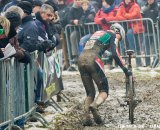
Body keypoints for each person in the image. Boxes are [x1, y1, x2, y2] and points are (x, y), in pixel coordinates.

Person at [78, 23, 129, 126]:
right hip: (93, 59)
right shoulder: (113, 35)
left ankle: (86, 118)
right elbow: (115, 53)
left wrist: (105, 53)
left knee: (90, 93)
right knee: (104, 90)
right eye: (120, 38)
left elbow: (92, 45)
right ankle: (95, 105)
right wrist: (125, 69)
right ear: (118, 32)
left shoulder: (99, 33)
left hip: (81, 59)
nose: (118, 40)